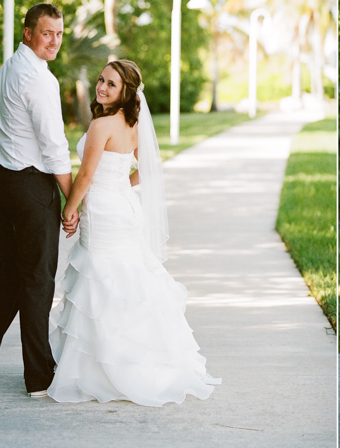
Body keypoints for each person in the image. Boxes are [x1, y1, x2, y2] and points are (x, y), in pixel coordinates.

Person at [47, 59, 220, 407]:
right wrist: (122, 185)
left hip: (103, 212)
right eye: (101, 80)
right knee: (130, 278)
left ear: (126, 91)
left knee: (101, 280)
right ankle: (146, 360)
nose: (102, 87)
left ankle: (98, 369)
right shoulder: (133, 124)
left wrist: (70, 209)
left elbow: (85, 177)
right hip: (125, 208)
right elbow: (148, 169)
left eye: (111, 84)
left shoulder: (102, 125)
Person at [0, 3, 78, 397]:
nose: (54, 41)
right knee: (36, 281)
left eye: (59, 34)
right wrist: (72, 198)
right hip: (29, 188)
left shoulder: (10, 67)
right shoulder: (38, 79)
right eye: (47, 33)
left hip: (1, 183)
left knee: (10, 275)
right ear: (28, 32)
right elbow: (54, 147)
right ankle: (40, 379)